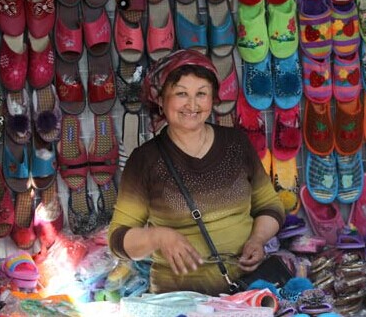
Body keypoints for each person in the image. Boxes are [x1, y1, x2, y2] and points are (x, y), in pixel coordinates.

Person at [108, 49, 285, 295]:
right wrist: (158, 237)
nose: (192, 105)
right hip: (179, 298)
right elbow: (118, 239)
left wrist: (257, 239)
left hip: (246, 293)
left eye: (201, 94)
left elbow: (269, 205)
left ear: (212, 99)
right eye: (181, 94)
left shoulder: (236, 143)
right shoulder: (145, 159)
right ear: (161, 100)